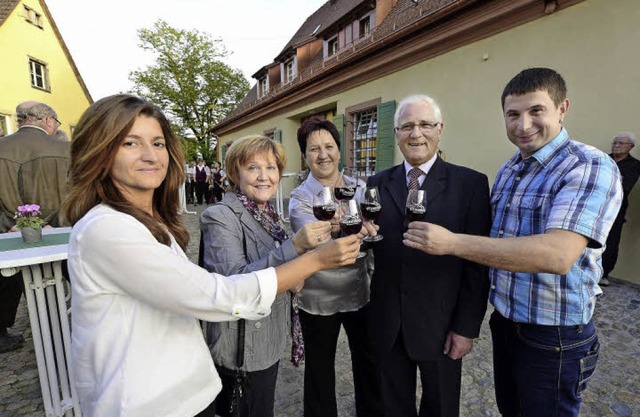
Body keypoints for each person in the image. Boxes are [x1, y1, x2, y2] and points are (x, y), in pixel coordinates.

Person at [62, 94, 360, 417]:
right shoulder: (109, 229)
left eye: (158, 143)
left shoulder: (158, 221)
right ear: (100, 151)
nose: (149, 155)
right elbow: (220, 290)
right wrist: (310, 259)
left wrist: (295, 271)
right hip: (156, 398)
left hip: (199, 382)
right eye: (131, 143)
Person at [404, 68, 622, 417]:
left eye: (536, 111)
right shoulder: (510, 169)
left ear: (562, 108)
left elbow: (557, 255)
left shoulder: (588, 166)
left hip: (555, 336)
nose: (524, 125)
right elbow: (494, 243)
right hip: (506, 324)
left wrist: (451, 243)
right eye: (513, 114)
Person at [364, 96, 491, 416]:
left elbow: (477, 264)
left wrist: (466, 327)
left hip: (442, 323)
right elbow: (370, 244)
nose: (416, 133)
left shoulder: (471, 184)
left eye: (425, 124)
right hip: (389, 322)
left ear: (440, 130)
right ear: (396, 132)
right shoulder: (377, 183)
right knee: (392, 406)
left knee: (442, 406)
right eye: (407, 126)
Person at [199, 135, 332, 417]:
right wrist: (295, 246)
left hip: (267, 343)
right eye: (253, 168)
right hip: (241, 351)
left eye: (271, 168)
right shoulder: (220, 216)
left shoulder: (267, 213)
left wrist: (295, 275)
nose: (264, 177)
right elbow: (234, 283)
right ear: (235, 173)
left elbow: (277, 269)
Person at [289, 117, 383, 417]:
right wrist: (355, 231)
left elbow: (373, 230)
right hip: (319, 296)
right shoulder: (300, 197)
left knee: (368, 362)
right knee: (319, 368)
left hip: (358, 291)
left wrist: (366, 232)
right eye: (313, 149)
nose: (323, 154)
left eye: (329, 146)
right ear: (305, 156)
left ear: (339, 151)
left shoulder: (360, 187)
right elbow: (315, 241)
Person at [0, 101, 69, 354]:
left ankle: (1, 332)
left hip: (8, 232)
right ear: (48, 120)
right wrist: (47, 223)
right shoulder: (67, 150)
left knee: (9, 282)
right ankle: (64, 328)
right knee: (66, 276)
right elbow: (76, 192)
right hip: (58, 231)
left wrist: (16, 222)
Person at [600, 132, 640, 286]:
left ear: (631, 147)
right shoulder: (604, 159)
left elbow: (625, 187)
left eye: (621, 143)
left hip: (616, 209)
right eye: (615, 142)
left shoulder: (635, 165)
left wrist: (607, 182)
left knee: (611, 241)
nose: (616, 145)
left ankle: (604, 274)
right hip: (596, 205)